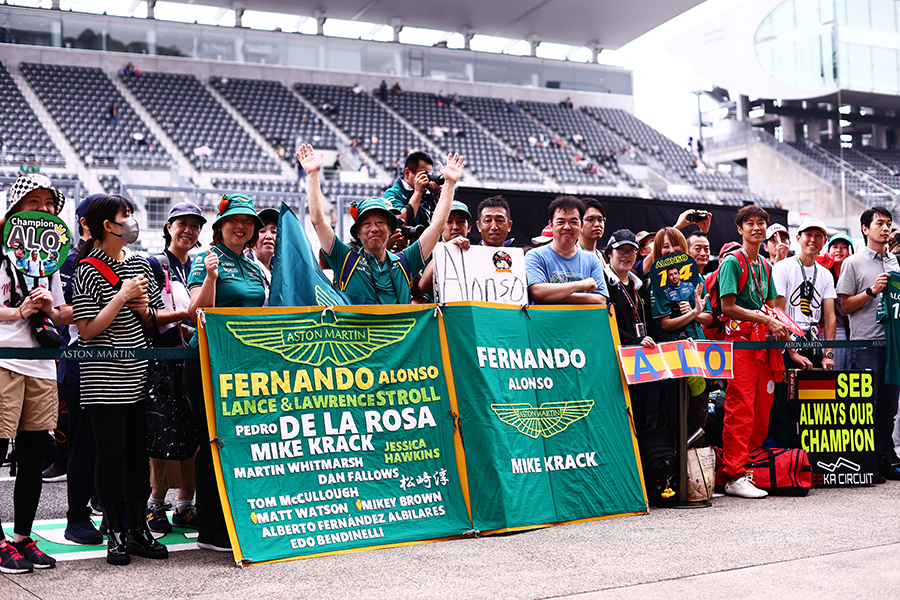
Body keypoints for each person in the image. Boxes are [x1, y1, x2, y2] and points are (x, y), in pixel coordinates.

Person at [73, 194, 168, 565]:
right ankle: (114, 530)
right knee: (110, 455)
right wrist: (122, 295)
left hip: (139, 376)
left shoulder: (141, 263)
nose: (131, 220)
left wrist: (143, 306)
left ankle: (138, 529)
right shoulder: (87, 269)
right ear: (106, 226)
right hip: (104, 380)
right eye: (124, 215)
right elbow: (87, 329)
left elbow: (153, 322)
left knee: (135, 456)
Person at [186, 194, 268, 552]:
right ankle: (210, 527)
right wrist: (210, 278)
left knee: (241, 440)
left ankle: (234, 517)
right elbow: (194, 315)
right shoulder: (207, 260)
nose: (241, 226)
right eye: (235, 220)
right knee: (213, 441)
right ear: (220, 226)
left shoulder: (254, 267)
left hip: (245, 364)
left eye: (248, 222)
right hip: (207, 360)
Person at [0, 173, 70, 573]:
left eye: (49, 204)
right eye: (34, 203)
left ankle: (22, 537)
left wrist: (48, 309)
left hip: (42, 364)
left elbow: (64, 311)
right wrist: (20, 310)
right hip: (4, 359)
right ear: (15, 210)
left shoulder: (50, 259)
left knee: (33, 456)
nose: (43, 210)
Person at [300, 144, 464, 305]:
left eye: (380, 222)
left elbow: (437, 226)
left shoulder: (405, 261)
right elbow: (318, 221)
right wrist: (313, 174)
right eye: (366, 223)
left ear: (390, 228)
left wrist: (449, 183)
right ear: (357, 232)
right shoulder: (345, 260)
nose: (374, 228)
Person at [144, 202, 207, 535]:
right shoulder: (155, 264)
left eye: (195, 226)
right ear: (168, 226)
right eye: (182, 224)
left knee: (195, 432)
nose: (188, 231)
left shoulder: (197, 267)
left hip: (192, 360)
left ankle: (185, 505)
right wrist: (184, 321)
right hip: (163, 360)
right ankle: (155, 505)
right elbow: (148, 317)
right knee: (163, 433)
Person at [718, 205, 789, 498]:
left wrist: (784, 326)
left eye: (762, 223)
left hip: (764, 343)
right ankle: (733, 474)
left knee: (762, 407)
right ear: (740, 229)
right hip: (740, 344)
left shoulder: (765, 265)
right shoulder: (733, 262)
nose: (757, 227)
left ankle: (750, 468)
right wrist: (765, 318)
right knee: (741, 407)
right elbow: (726, 307)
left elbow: (774, 305)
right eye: (750, 223)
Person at [835, 206, 900, 481]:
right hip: (865, 345)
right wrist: (872, 291)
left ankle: (885, 457)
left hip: (893, 345)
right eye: (879, 224)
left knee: (889, 407)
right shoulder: (852, 262)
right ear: (865, 229)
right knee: (865, 407)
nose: (885, 229)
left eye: (888, 224)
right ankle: (866, 460)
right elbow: (845, 305)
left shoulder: (895, 264)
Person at [59, 195, 104, 546]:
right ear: (85, 224)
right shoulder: (70, 259)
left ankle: (103, 505)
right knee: (84, 442)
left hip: (112, 362)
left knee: (109, 442)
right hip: (78, 358)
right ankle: (76, 517)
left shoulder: (116, 259)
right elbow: (70, 312)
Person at [770, 217, 836, 448]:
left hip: (814, 342)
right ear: (798, 238)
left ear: (824, 241)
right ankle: (786, 458)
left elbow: (829, 316)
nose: (813, 240)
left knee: (817, 403)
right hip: (788, 340)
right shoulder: (783, 267)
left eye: (818, 236)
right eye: (808, 235)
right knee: (785, 403)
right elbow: (777, 312)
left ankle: (813, 458)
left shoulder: (825, 274)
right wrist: (793, 351)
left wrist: (829, 353)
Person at [603, 229, 666, 431]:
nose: (627, 255)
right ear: (609, 254)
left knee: (641, 421)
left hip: (639, 366)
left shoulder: (638, 287)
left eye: (632, 251)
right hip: (613, 366)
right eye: (621, 250)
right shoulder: (603, 284)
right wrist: (635, 341)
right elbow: (604, 324)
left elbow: (649, 326)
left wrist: (675, 342)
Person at [525, 196, 608, 305]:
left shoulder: (592, 260)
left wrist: (555, 296)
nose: (567, 227)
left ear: (581, 225)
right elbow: (537, 292)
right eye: (561, 222)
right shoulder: (535, 256)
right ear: (551, 225)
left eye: (573, 222)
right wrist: (581, 285)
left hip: (582, 322)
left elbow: (601, 299)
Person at [417, 201, 472, 299]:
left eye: (461, 221)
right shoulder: (428, 250)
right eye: (449, 221)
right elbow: (423, 287)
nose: (455, 227)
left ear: (469, 227)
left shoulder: (476, 253)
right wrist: (446, 248)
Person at [383, 152, 441, 230]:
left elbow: (445, 222)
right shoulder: (392, 194)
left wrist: (437, 196)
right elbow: (399, 223)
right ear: (407, 173)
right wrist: (418, 193)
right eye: (423, 174)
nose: (427, 179)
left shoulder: (427, 194)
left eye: (429, 175)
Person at [824, 233, 854, 370]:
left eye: (843, 247)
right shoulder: (823, 273)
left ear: (850, 251)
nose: (838, 251)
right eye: (834, 247)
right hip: (831, 331)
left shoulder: (855, 273)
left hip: (853, 331)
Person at [246, 207, 277, 288]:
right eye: (262, 231)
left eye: (274, 232)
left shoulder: (283, 268)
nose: (269, 236)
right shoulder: (244, 265)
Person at [577, 198, 607, 268]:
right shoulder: (571, 255)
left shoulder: (601, 256)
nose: (597, 224)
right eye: (590, 219)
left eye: (600, 220)